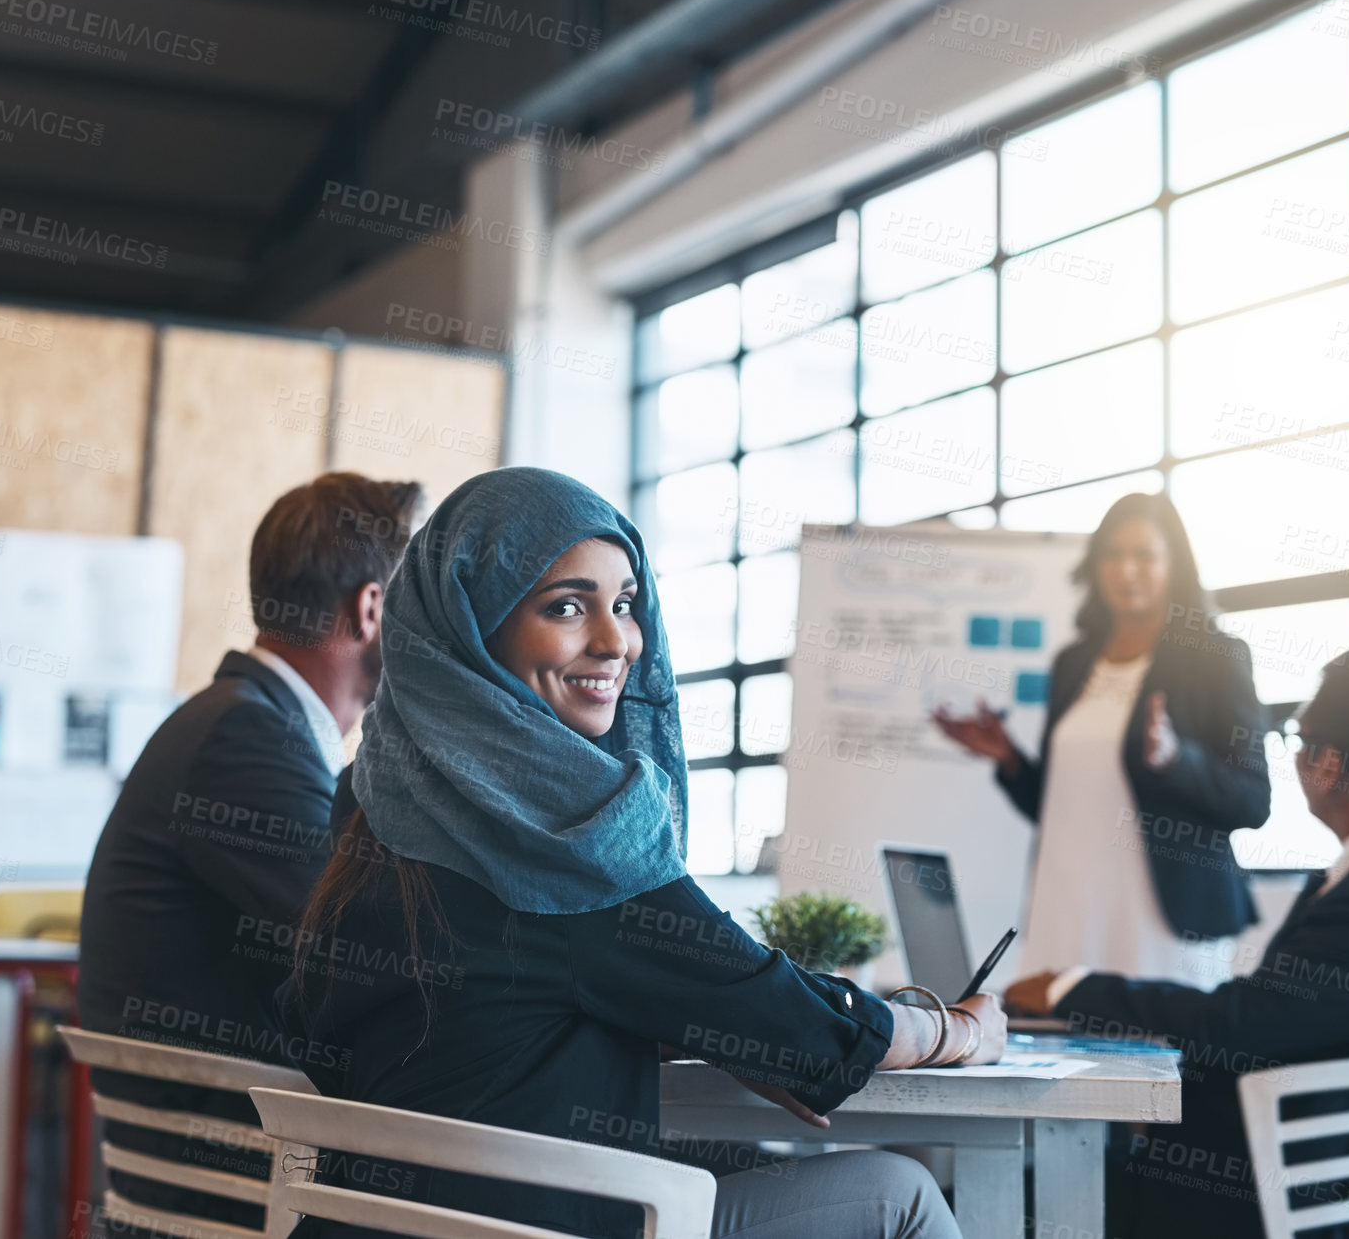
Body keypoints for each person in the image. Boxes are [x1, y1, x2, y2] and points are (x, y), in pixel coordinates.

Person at [274, 466, 1007, 1239]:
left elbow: (497, 1001)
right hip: (527, 1223)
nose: (616, 641)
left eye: (625, 604)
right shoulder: (569, 841)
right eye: (565, 607)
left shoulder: (377, 796)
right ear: (469, 624)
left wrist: (718, 1022)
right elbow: (794, 1023)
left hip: (377, 1220)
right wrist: (955, 1029)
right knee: (901, 1192)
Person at [1006, 644, 1349, 1239]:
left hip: (1242, 1201)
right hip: (1262, 1181)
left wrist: (1071, 989)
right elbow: (1260, 1021)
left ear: (1329, 765)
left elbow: (1237, 1023)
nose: (1297, 756)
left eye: (1299, 739)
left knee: (1000, 1191)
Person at [77, 471, 424, 1231]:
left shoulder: (241, 723)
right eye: (419, 607)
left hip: (218, 1160)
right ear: (372, 609)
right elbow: (364, 945)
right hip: (237, 1176)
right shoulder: (244, 741)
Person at [933, 492, 1269, 985]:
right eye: (1113, 554)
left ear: (1174, 565)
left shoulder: (1216, 657)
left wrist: (1179, 760)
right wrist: (1008, 758)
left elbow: (1253, 801)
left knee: (1163, 1058)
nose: (1126, 569)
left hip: (1163, 919)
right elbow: (1058, 804)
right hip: (1067, 909)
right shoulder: (1073, 663)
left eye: (1144, 555)